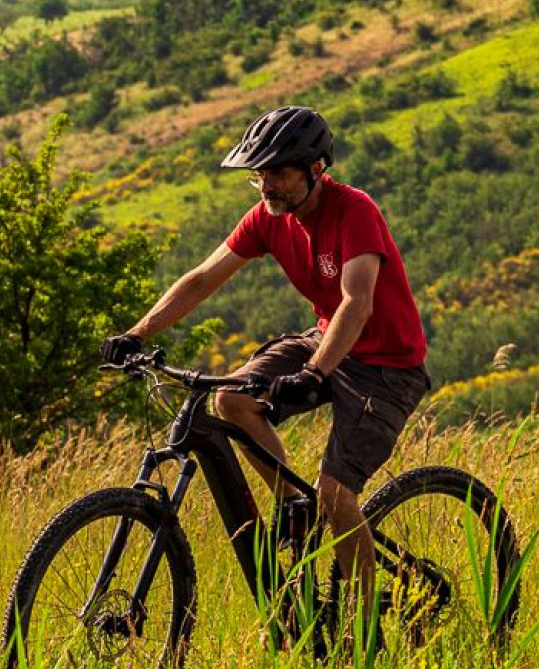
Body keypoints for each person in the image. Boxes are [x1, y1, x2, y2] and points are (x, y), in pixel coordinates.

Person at [103, 105, 430, 616]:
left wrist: (314, 373)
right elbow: (202, 278)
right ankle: (293, 506)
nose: (266, 186)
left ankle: (362, 632)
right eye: (259, 175)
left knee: (337, 496)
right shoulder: (268, 217)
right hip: (325, 342)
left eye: (278, 173)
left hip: (387, 367)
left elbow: (357, 303)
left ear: (316, 169)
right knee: (231, 398)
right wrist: (137, 332)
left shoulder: (355, 211)